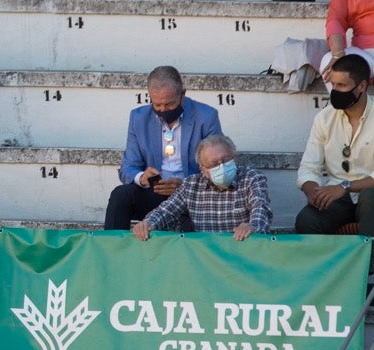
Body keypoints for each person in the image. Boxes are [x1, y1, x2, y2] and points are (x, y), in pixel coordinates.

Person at [104, 66, 223, 230]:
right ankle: (113, 251)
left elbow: (218, 166)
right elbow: (128, 167)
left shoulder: (206, 116)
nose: (163, 110)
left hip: (194, 195)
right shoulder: (138, 118)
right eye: (157, 104)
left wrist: (185, 185)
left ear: (182, 94)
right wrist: (142, 177)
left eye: (170, 104)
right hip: (154, 193)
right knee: (120, 195)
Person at [131, 135, 271, 241]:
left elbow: (261, 207)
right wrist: (148, 224)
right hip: (204, 258)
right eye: (214, 164)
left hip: (242, 249)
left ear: (234, 158)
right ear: (203, 169)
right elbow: (166, 211)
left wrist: (252, 226)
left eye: (226, 160)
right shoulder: (191, 185)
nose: (221, 166)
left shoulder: (252, 177)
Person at [298, 52, 374, 235]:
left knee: (371, 199)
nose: (334, 90)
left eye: (341, 85)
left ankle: (366, 260)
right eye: (333, 84)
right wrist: (313, 192)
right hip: (337, 197)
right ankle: (326, 264)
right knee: (306, 221)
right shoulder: (324, 118)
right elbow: (309, 166)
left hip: (370, 195)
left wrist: (344, 187)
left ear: (362, 86)